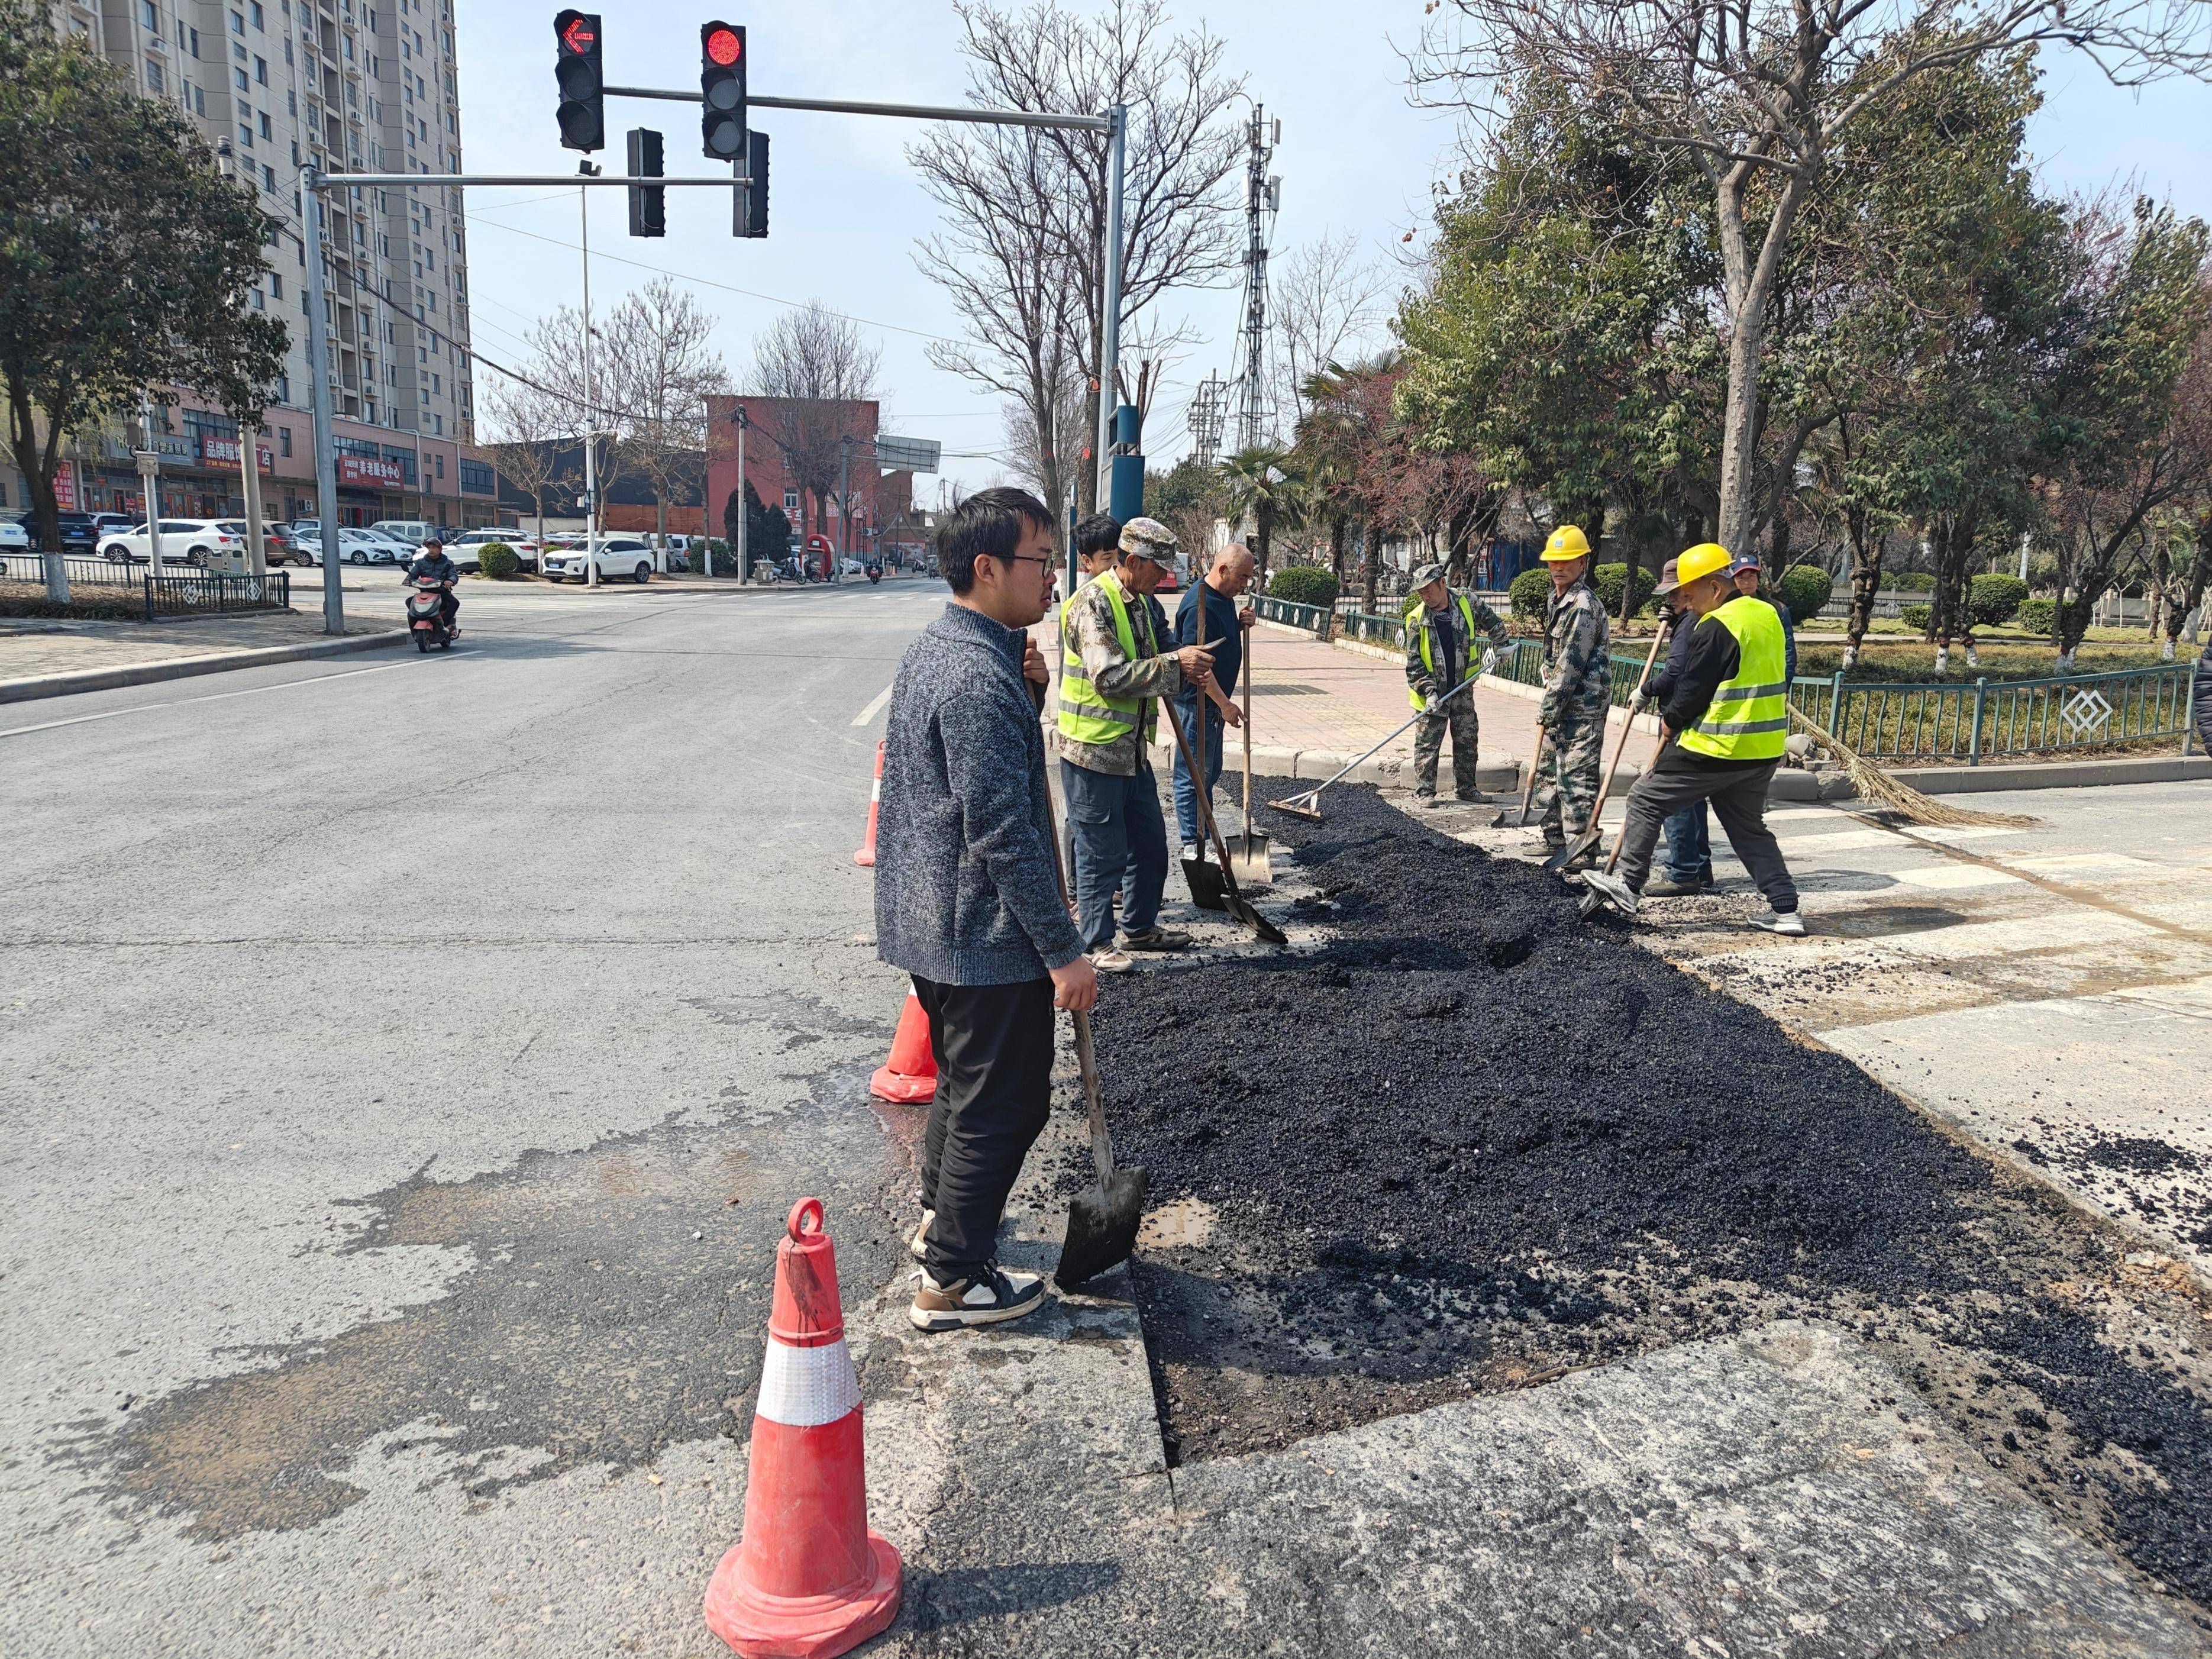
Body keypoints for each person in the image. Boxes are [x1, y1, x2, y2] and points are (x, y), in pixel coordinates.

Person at [875, 487, 1097, 1332]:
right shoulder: (974, 675)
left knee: (968, 1092)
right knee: (1004, 1103)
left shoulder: (948, 649)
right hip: (978, 928)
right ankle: (953, 1281)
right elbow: (1002, 829)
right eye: (1041, 561)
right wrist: (1062, 950)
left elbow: (969, 778)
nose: (1052, 578)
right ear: (987, 567)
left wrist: (1027, 694)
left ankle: (944, 1223)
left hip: (934, 923)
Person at [1581, 543, 1805, 935]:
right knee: (1748, 829)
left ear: (1715, 588)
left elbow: (1694, 686)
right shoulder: (1766, 614)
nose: (1686, 602)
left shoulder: (1717, 624)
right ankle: (1786, 910)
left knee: (1645, 798)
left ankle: (1629, 885)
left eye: (1690, 594)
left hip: (1719, 746)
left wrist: (1670, 721)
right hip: (1763, 748)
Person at [1055, 517, 1213, 971]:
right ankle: (1096, 942)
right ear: (1131, 561)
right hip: (1092, 752)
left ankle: (1140, 927)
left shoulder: (1141, 604)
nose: (1163, 577)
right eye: (1156, 568)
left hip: (1130, 753)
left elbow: (1162, 651)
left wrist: (1187, 662)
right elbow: (1107, 677)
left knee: (1148, 846)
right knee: (1100, 853)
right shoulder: (1093, 604)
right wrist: (1172, 666)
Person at [1172, 544, 1259, 856]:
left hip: (1211, 708)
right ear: (1222, 570)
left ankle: (1201, 834)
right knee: (1193, 777)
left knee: (1209, 774)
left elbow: (1220, 640)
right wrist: (1225, 705)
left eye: (1249, 578)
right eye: (1243, 577)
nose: (1245, 584)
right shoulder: (1200, 606)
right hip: (1198, 705)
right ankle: (1192, 845)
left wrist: (1240, 623)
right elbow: (1197, 670)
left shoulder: (1222, 600)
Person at [1532, 525, 1612, 867]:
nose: (1558, 568)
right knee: (1551, 772)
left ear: (1582, 563)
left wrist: (1549, 705)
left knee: (1577, 776)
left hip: (1583, 706)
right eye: (1553, 562)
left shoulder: (1583, 605)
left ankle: (1582, 849)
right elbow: (1554, 655)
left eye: (1566, 561)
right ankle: (1555, 839)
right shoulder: (1558, 598)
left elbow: (1571, 663)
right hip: (1561, 703)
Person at [1401, 560, 1509, 806]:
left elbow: (1491, 621)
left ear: (1443, 583)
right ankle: (1425, 791)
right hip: (1432, 694)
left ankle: (1467, 788)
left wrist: (1502, 645)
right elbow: (1414, 664)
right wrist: (1429, 692)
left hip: (1462, 688)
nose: (1425, 596)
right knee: (1428, 744)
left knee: (1467, 739)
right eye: (1420, 592)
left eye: (1429, 589)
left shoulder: (1465, 602)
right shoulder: (1417, 619)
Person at [1642, 558, 1712, 896]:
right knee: (1694, 795)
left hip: (1679, 716)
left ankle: (1683, 871)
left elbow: (1676, 673)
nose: (1669, 601)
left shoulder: (1689, 626)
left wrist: (1645, 690)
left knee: (1673, 794)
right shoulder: (1696, 619)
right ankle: (1700, 867)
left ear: (1688, 592)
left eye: (1673, 595)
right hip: (1697, 717)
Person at [1730, 554, 1797, 683]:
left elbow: (1788, 650)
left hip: (1770, 684)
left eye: (1751, 577)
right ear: (1733, 580)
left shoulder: (1777, 609)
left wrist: (1785, 683)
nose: (1746, 583)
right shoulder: (1724, 610)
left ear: (1758, 579)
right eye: (1741, 578)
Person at [406, 535, 460, 634]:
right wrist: (408, 580)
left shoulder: (448, 563)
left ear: (440, 549)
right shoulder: (421, 562)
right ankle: (416, 624)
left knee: (454, 603)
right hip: (425, 592)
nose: (431, 550)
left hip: (442, 592)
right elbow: (413, 574)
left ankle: (445, 625)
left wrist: (450, 581)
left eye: (434, 548)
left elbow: (453, 575)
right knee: (409, 601)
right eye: (429, 548)